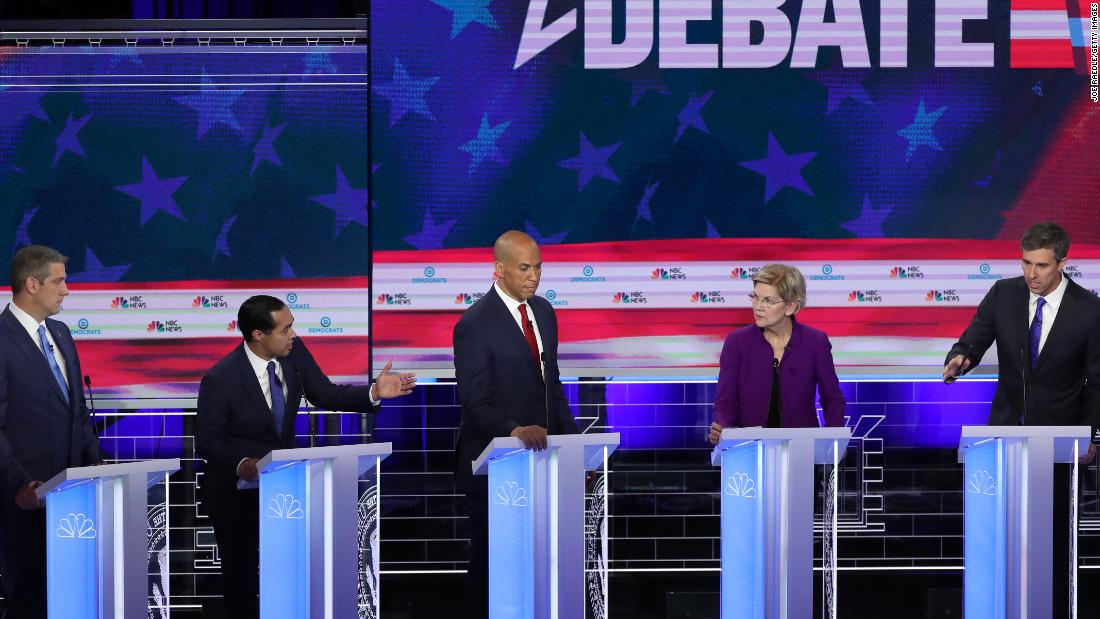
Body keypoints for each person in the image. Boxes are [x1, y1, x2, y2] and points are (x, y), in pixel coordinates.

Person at [195, 295, 415, 618]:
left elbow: (324, 392)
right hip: (234, 495)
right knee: (241, 578)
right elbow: (208, 441)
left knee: (289, 573)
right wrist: (243, 464)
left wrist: (373, 392)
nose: (293, 335)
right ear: (259, 335)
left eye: (292, 327)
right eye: (285, 330)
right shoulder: (221, 378)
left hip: (285, 489)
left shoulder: (293, 354)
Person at [943, 221, 1099, 616]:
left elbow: (1098, 383)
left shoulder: (1090, 311)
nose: (1031, 274)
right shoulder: (1004, 294)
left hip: (1061, 442)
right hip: (1002, 438)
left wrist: (1093, 437)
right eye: (1026, 262)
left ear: (1063, 262)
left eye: (1042, 266)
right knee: (1001, 536)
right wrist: (960, 358)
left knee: (1054, 537)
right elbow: (973, 339)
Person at [452, 230, 580, 618]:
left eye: (539, 267)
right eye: (525, 268)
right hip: (494, 467)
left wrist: (573, 447)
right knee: (492, 567)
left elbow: (551, 386)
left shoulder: (543, 311)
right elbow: (475, 401)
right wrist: (513, 430)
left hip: (541, 464)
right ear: (499, 269)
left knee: (539, 563)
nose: (534, 276)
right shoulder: (473, 324)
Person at [0, 245, 101, 618]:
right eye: (58, 281)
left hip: (74, 500)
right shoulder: (1, 338)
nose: (66, 290)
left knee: (72, 599)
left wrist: (98, 473)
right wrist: (20, 486)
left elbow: (77, 415)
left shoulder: (60, 333)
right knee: (30, 599)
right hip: (25, 501)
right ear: (31, 283)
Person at [708, 263, 845, 445]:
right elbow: (726, 400)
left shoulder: (815, 342)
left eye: (768, 301)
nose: (757, 306)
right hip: (748, 449)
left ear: (790, 307)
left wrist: (833, 442)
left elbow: (832, 399)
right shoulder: (737, 342)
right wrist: (722, 426)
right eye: (755, 297)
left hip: (801, 449)